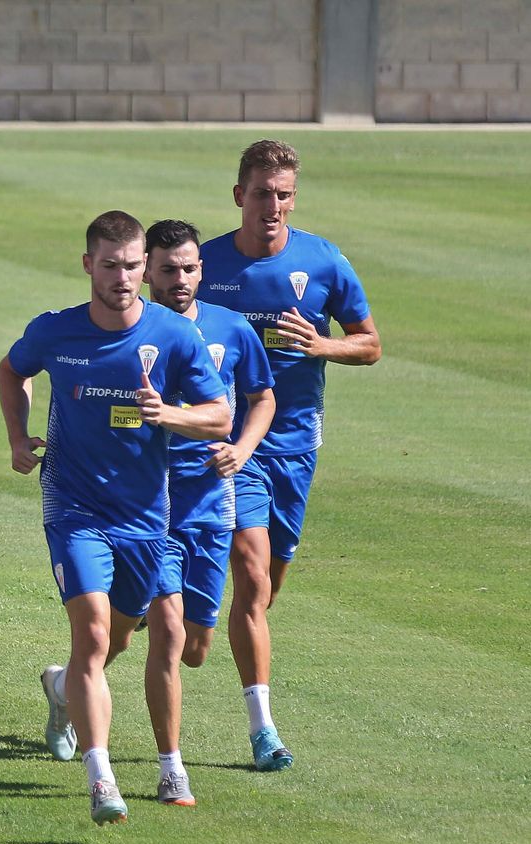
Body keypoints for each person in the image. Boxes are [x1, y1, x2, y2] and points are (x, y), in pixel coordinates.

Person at [0, 211, 229, 825]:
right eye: (111, 265)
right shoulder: (55, 333)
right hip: (74, 508)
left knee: (122, 638)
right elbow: (12, 369)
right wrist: (19, 437)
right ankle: (106, 778)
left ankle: (61, 688)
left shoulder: (174, 337)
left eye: (133, 265)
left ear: (144, 268)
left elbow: (219, 417)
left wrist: (168, 416)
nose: (123, 277)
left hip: (146, 516)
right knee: (96, 632)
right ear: (88, 266)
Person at [196, 139, 381, 771]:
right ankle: (263, 730)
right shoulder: (206, 265)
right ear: (238, 195)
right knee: (249, 575)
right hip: (227, 444)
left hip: (296, 444)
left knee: (265, 590)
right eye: (261, 193)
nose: (272, 206)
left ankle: (67, 682)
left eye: (284, 195)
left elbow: (370, 343)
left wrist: (323, 348)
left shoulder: (323, 262)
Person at [135, 219, 276, 806]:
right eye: (168, 269)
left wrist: (241, 450)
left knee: (196, 648)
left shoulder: (230, 328)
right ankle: (173, 771)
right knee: (166, 636)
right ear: (146, 270)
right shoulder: (131, 331)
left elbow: (261, 396)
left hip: (209, 505)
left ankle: (66, 685)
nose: (182, 280)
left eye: (191, 268)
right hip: (146, 506)